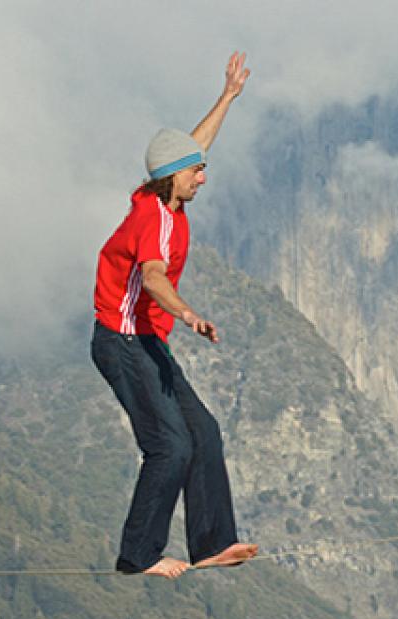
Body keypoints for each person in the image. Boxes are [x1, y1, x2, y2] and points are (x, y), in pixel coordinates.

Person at [91, 52, 259, 579]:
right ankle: (137, 555)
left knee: (203, 433)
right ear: (174, 179)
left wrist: (227, 96)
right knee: (170, 447)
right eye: (197, 173)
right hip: (121, 342)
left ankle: (212, 543)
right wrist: (188, 315)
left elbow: (191, 145)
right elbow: (156, 277)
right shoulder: (153, 223)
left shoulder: (163, 191)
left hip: (146, 343)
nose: (203, 177)